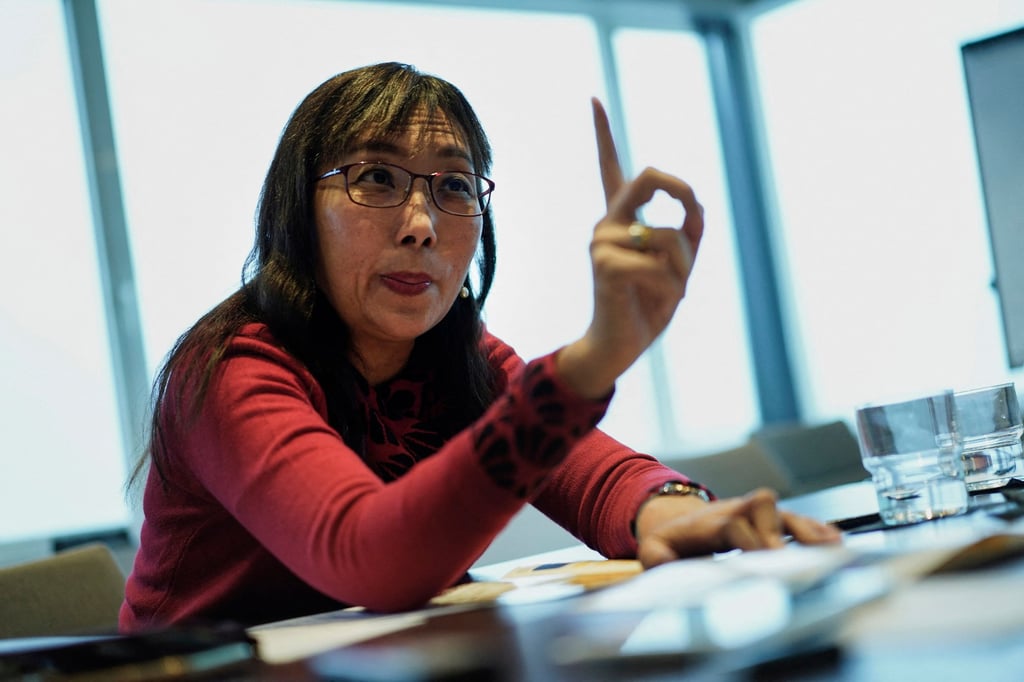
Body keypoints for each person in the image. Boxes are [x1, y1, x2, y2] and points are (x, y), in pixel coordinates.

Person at [120, 62, 839, 632]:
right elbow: (370, 559)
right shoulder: (229, 368)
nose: (421, 224)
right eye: (376, 177)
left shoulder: (458, 354)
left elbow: (597, 479)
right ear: (296, 209)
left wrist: (681, 513)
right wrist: (590, 362)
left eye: (454, 186)